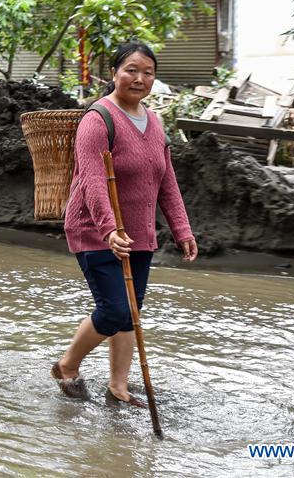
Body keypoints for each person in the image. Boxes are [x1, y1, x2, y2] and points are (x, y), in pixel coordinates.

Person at [51, 42, 198, 404]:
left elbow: (166, 181)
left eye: (148, 72)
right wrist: (109, 230)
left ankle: (118, 386)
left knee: (130, 313)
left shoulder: (155, 121)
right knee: (115, 309)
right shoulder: (97, 120)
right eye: (131, 70)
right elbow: (93, 180)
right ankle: (67, 365)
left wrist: (182, 229)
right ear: (114, 73)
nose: (139, 78)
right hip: (95, 230)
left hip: (139, 234)